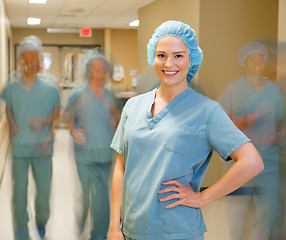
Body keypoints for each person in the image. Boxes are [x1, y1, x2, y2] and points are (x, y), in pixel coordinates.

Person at [108, 20, 264, 240]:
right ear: (153, 56)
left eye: (178, 55)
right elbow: (120, 168)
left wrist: (202, 198)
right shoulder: (133, 106)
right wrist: (115, 227)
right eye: (161, 55)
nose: (169, 63)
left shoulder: (207, 112)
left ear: (191, 60)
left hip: (176, 231)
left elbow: (252, 161)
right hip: (131, 229)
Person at [218, 41, 285, 240]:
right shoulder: (233, 89)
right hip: (239, 162)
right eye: (252, 57)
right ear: (243, 62)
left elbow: (279, 121)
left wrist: (278, 135)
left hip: (268, 162)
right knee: (237, 212)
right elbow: (223, 124)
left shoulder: (273, 91)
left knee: (268, 211)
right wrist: (251, 118)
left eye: (261, 57)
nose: (258, 62)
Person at [0, 35, 60, 240]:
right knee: (19, 193)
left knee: (43, 194)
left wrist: (45, 124)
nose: (32, 59)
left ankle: (41, 221)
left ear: (40, 58)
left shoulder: (50, 85)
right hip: (19, 147)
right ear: (22, 58)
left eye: (36, 55)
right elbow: (8, 106)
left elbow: (56, 113)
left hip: (43, 147)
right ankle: (22, 232)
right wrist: (12, 122)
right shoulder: (11, 85)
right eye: (28, 55)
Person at [65, 49, 120, 240]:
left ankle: (98, 233)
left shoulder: (110, 95)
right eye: (94, 67)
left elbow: (117, 116)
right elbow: (69, 117)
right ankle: (81, 217)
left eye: (102, 67)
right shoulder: (78, 93)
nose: (98, 70)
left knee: (102, 196)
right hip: (84, 152)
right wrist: (74, 132)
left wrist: (116, 126)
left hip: (105, 151)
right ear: (88, 69)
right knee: (86, 194)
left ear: (106, 70)